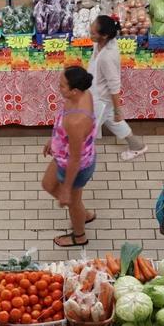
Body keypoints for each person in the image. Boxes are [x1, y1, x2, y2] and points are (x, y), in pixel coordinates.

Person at [44, 65, 97, 248]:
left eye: (62, 85)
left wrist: (66, 189)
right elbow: (66, 132)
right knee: (48, 184)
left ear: (74, 91)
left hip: (75, 166)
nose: (59, 87)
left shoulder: (77, 121)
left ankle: (79, 235)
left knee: (73, 202)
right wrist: (54, 140)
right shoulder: (84, 93)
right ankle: (83, 213)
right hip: (64, 155)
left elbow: (75, 158)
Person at [87, 15, 147, 160]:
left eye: (93, 33)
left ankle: (80, 158)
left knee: (87, 130)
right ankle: (137, 146)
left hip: (101, 99)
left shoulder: (108, 56)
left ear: (104, 35)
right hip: (96, 93)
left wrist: (117, 109)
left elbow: (114, 85)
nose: (90, 33)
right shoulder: (101, 44)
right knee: (114, 121)